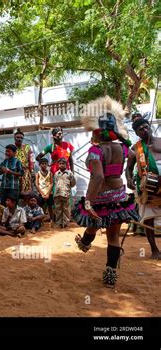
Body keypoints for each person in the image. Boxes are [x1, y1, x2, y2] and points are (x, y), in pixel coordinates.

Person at [72, 96, 140, 287]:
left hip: (101, 196)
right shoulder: (123, 149)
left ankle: (85, 242)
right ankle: (110, 276)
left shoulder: (96, 151)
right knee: (113, 236)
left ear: (97, 132)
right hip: (118, 195)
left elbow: (98, 177)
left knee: (93, 224)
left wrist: (88, 200)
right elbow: (133, 155)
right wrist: (127, 175)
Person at [126, 117, 161, 259]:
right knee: (148, 218)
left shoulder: (160, 141)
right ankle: (154, 250)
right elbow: (128, 169)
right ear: (136, 133)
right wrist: (129, 180)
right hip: (147, 189)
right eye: (141, 129)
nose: (145, 130)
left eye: (146, 127)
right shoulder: (136, 149)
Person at [53, 158, 76, 228]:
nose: (61, 165)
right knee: (58, 209)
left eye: (63, 164)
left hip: (66, 194)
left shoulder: (69, 173)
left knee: (66, 209)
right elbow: (55, 182)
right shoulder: (56, 174)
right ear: (58, 165)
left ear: (66, 165)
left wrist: (67, 188)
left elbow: (73, 183)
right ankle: (59, 223)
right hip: (57, 194)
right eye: (60, 164)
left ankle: (66, 223)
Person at [14, 129, 33, 197]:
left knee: (26, 193)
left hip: (26, 172)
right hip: (15, 173)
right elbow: (6, 160)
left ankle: (26, 207)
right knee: (15, 193)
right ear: (14, 138)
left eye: (21, 138)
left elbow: (31, 160)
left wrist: (32, 171)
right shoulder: (11, 148)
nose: (19, 139)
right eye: (17, 137)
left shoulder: (27, 147)